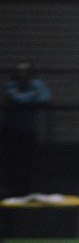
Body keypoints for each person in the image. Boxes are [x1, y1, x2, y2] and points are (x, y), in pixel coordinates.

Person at [1, 62, 51, 197]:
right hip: (11, 131)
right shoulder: (11, 85)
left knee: (28, 162)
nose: (22, 74)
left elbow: (45, 98)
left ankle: (26, 191)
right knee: (12, 162)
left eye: (25, 71)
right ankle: (11, 190)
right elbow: (15, 98)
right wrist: (32, 97)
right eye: (19, 71)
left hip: (28, 130)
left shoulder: (37, 85)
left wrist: (31, 97)